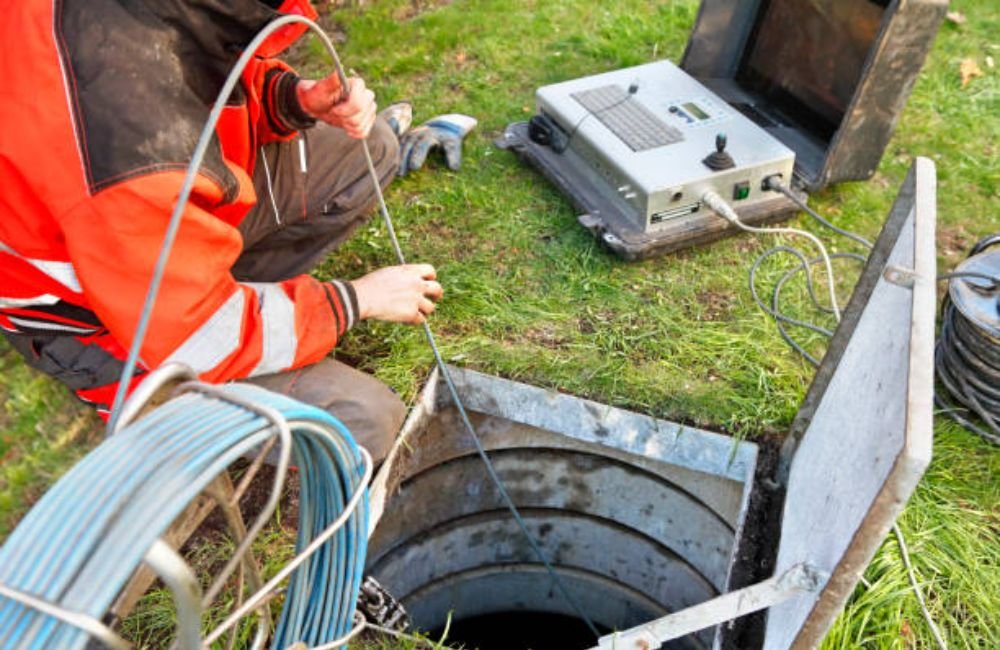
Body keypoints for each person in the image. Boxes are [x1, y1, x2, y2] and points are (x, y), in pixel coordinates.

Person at [0, 0, 475, 463]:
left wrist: (293, 99)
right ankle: (170, 386)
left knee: (369, 149)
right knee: (363, 421)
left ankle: (231, 297)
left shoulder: (170, 20)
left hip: (159, 238)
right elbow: (199, 336)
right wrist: (355, 300)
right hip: (105, 316)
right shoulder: (123, 145)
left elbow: (206, 74)